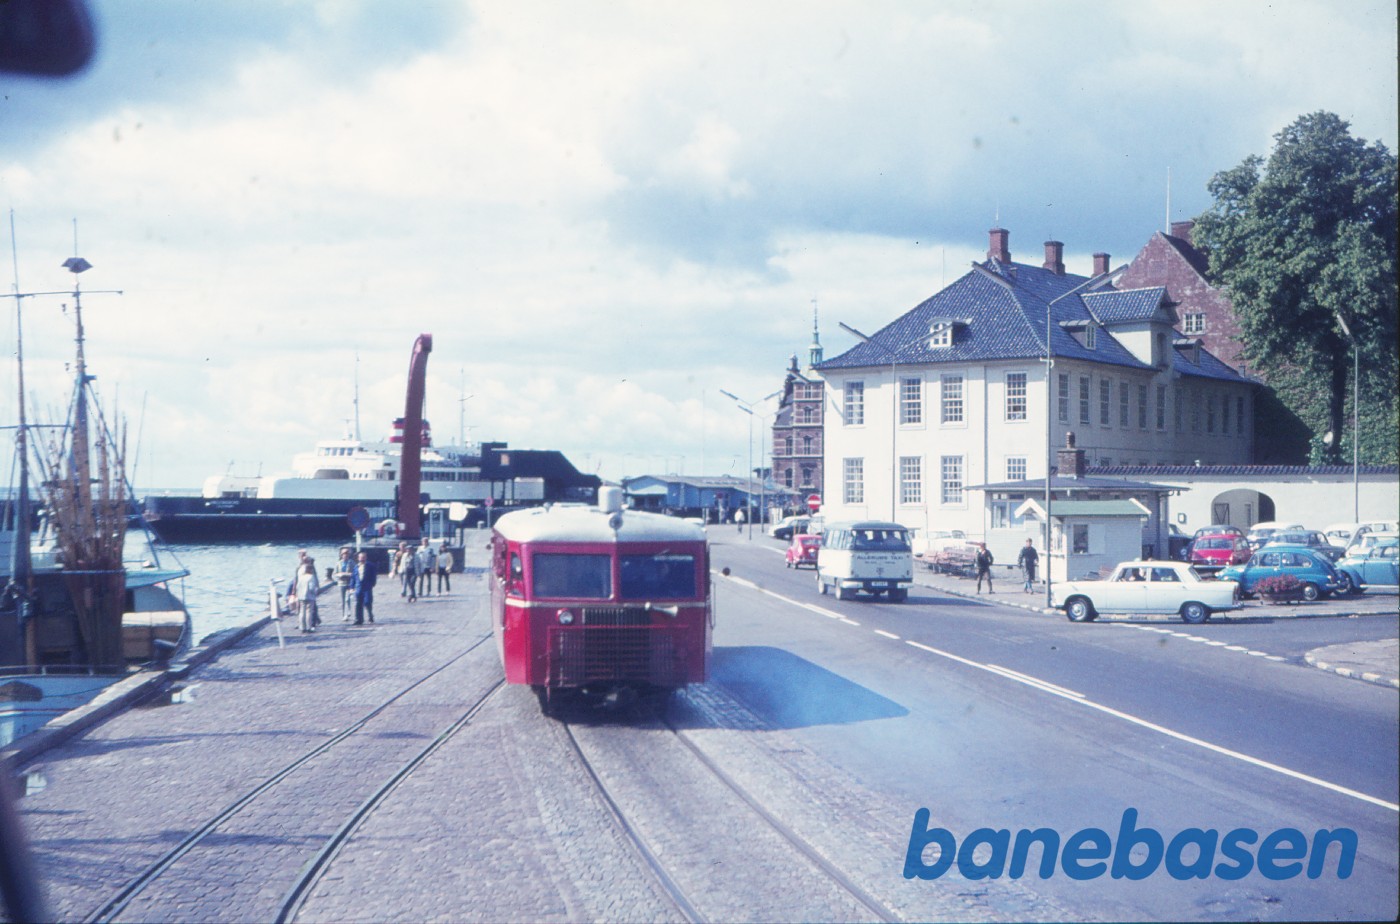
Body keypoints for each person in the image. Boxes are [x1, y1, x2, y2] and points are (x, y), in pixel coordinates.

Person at [352, 551, 377, 625]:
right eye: (361, 557)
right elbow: (353, 577)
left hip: (367, 587)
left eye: (364, 557)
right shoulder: (356, 567)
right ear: (358, 558)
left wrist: (372, 584)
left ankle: (370, 615)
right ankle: (358, 619)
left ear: (366, 558)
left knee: (367, 602)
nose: (362, 559)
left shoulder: (370, 566)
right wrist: (352, 586)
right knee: (358, 604)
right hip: (358, 587)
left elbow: (373, 576)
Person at [295, 561, 319, 633]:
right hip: (309, 596)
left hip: (301, 596)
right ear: (310, 570)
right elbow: (311, 588)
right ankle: (309, 627)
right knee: (309, 612)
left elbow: (297, 586)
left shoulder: (301, 577)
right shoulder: (311, 577)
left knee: (302, 612)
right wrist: (315, 593)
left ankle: (302, 627)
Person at [333, 547, 355, 621]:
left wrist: (348, 574)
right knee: (343, 600)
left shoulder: (351, 562)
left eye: (347, 553)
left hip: (349, 583)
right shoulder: (338, 563)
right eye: (344, 554)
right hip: (341, 583)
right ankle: (343, 614)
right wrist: (339, 575)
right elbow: (335, 573)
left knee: (347, 598)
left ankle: (348, 611)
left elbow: (355, 572)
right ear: (341, 555)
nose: (345, 555)